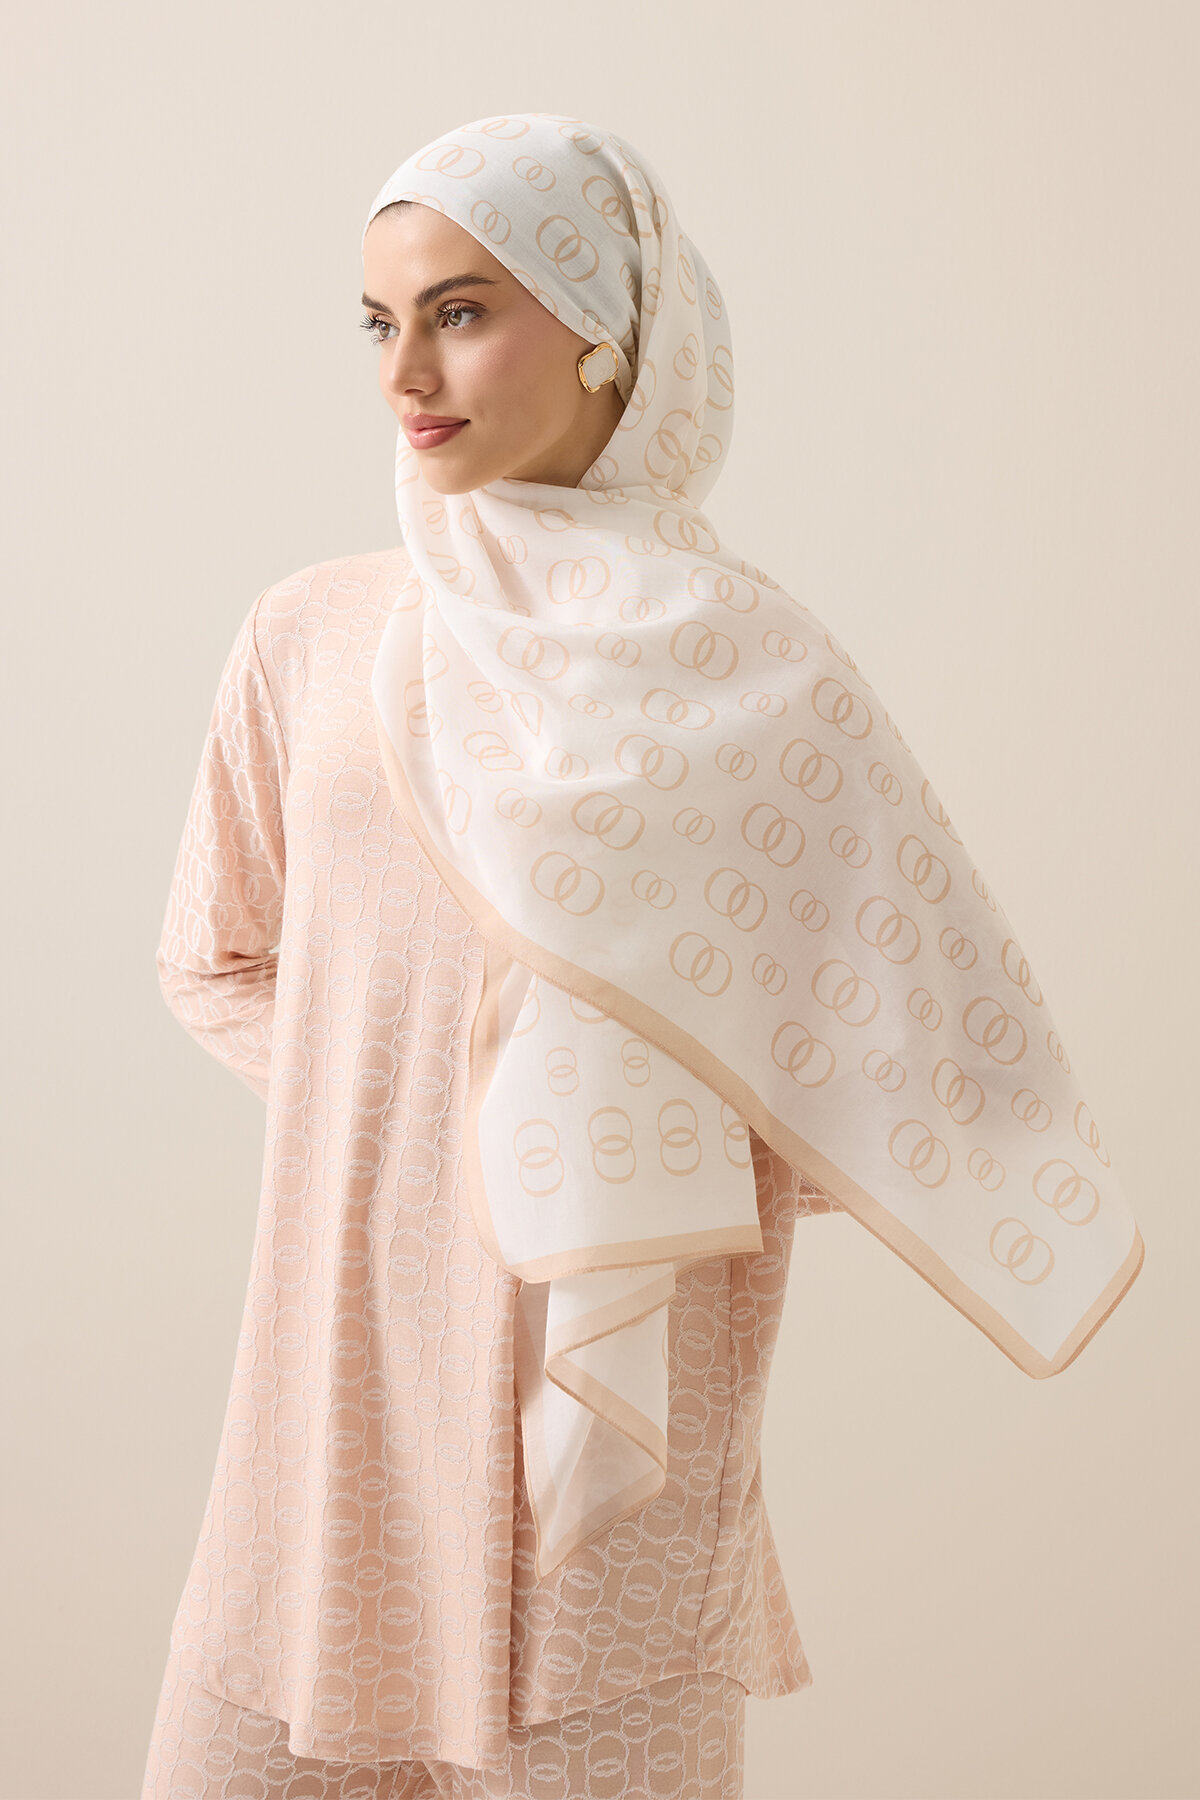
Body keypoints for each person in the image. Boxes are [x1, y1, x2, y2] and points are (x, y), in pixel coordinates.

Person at [141, 112, 1142, 1800]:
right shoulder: (311, 633)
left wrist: (618, 1161)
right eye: (380, 322)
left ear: (611, 329)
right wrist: (437, 1132)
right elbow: (217, 957)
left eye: (463, 311)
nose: (406, 374)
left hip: (617, 1427)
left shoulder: (754, 680)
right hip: (334, 1388)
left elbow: (895, 1061)